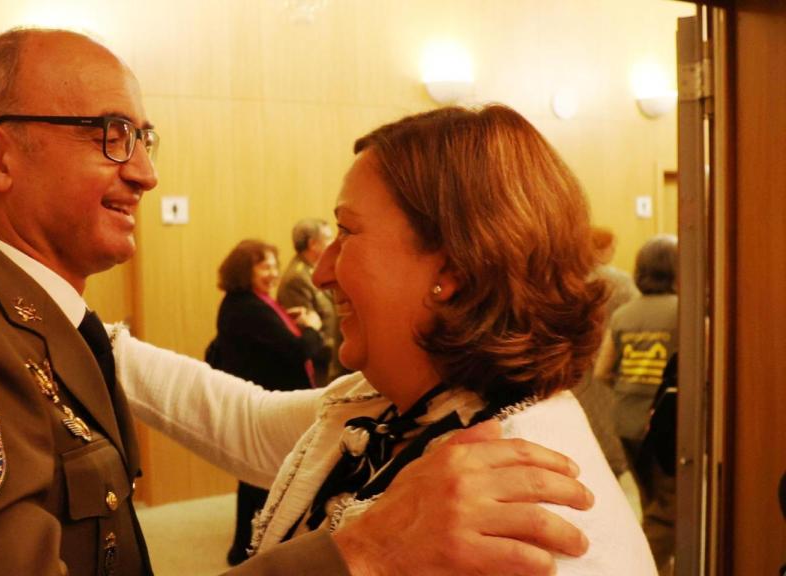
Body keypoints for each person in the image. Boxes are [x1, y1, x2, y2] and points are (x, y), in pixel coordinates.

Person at [0, 28, 594, 576]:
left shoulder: (524, 476)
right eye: (111, 134)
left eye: (144, 136)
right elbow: (244, 420)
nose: (146, 173)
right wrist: (364, 550)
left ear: (451, 268)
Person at [203, 104, 653, 574]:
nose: (322, 273)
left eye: (347, 232)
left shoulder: (512, 519)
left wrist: (368, 553)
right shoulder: (395, 404)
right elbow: (243, 419)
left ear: (453, 267)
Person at [208, 240, 324, 565]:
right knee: (262, 477)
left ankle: (245, 547)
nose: (273, 273)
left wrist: (290, 320)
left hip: (263, 400)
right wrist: (312, 328)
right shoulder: (247, 308)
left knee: (255, 478)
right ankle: (250, 549)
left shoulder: (251, 303)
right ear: (244, 271)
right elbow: (298, 351)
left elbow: (273, 341)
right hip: (264, 404)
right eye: (265, 267)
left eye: (275, 265)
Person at [594, 234, 679, 571]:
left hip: (626, 421)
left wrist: (631, 386)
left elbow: (603, 371)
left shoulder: (624, 314)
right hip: (664, 423)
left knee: (650, 503)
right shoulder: (684, 312)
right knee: (669, 511)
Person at [571, 226, 640, 477]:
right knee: (609, 427)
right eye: (612, 247)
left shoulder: (570, 280)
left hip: (576, 363)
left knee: (584, 421)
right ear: (601, 249)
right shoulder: (620, 282)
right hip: (611, 362)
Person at [277, 218, 343, 386]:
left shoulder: (314, 271)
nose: (333, 243)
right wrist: (341, 352)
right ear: (313, 244)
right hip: (319, 372)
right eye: (328, 238)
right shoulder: (297, 279)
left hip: (330, 364)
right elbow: (307, 334)